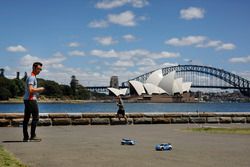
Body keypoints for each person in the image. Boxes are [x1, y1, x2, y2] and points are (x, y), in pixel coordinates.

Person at [23, 62, 45, 142]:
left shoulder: (31, 77)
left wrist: (37, 94)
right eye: (38, 69)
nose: (40, 70)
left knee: (26, 119)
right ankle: (32, 136)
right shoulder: (32, 77)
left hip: (27, 99)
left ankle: (26, 137)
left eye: (40, 69)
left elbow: (31, 90)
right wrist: (40, 89)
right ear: (34, 68)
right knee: (35, 118)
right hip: (31, 100)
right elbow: (31, 89)